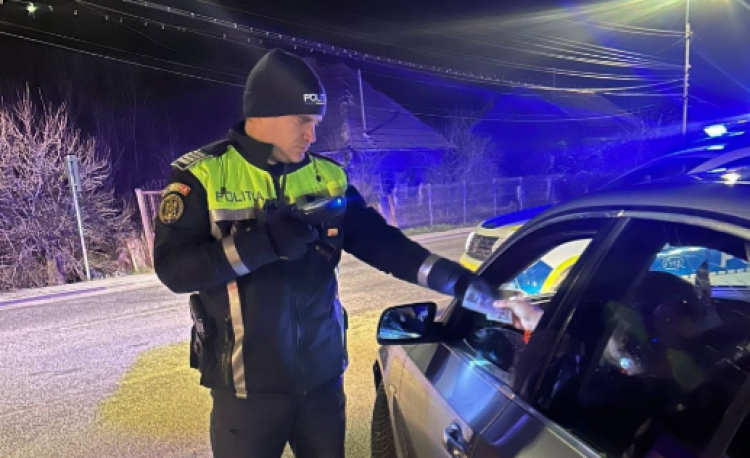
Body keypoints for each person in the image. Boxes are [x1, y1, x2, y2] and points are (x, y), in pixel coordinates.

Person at [153, 48, 494, 458]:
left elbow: (382, 244)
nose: (312, 136)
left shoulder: (328, 177)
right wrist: (262, 244)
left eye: (315, 123)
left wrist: (457, 281)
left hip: (322, 383)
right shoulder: (201, 175)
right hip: (245, 392)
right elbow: (175, 270)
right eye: (303, 121)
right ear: (264, 114)